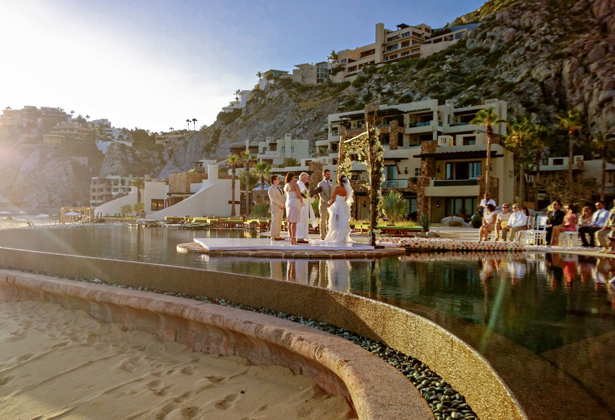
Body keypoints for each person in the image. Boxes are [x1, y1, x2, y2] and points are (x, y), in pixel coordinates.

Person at [324, 175, 354, 243]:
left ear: (340, 181)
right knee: (342, 222)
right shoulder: (347, 189)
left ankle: (334, 236)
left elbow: (333, 197)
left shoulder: (337, 188)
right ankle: (342, 237)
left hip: (337, 205)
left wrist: (330, 202)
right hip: (344, 205)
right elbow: (346, 198)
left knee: (334, 221)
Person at [296, 172, 318, 244]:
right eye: (306, 178)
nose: (307, 180)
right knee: (301, 221)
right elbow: (305, 195)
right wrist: (311, 195)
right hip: (302, 206)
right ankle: (300, 237)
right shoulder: (300, 184)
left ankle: (301, 236)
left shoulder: (301, 184)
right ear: (304, 178)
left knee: (303, 221)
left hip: (304, 205)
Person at [284, 172, 303, 245]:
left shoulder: (286, 186)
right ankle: (294, 238)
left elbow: (286, 196)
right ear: (292, 177)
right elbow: (298, 194)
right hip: (294, 202)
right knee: (294, 221)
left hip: (288, 202)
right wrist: (301, 199)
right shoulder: (295, 185)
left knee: (289, 221)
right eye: (294, 177)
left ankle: (291, 237)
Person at [316, 169, 333, 240]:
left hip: (331, 205)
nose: (329, 176)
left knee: (330, 220)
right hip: (323, 205)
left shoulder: (331, 183)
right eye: (327, 174)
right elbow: (321, 195)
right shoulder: (320, 184)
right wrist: (327, 201)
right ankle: (322, 236)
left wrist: (332, 201)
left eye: (329, 174)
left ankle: (329, 235)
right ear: (324, 175)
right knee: (323, 220)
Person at [267, 175, 285, 241]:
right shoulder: (271, 189)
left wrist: (284, 204)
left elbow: (282, 197)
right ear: (274, 180)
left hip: (281, 208)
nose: (279, 180)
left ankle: (278, 235)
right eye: (277, 179)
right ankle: (273, 236)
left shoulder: (279, 188)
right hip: (275, 208)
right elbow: (274, 198)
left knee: (279, 222)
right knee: (275, 222)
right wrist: (282, 204)